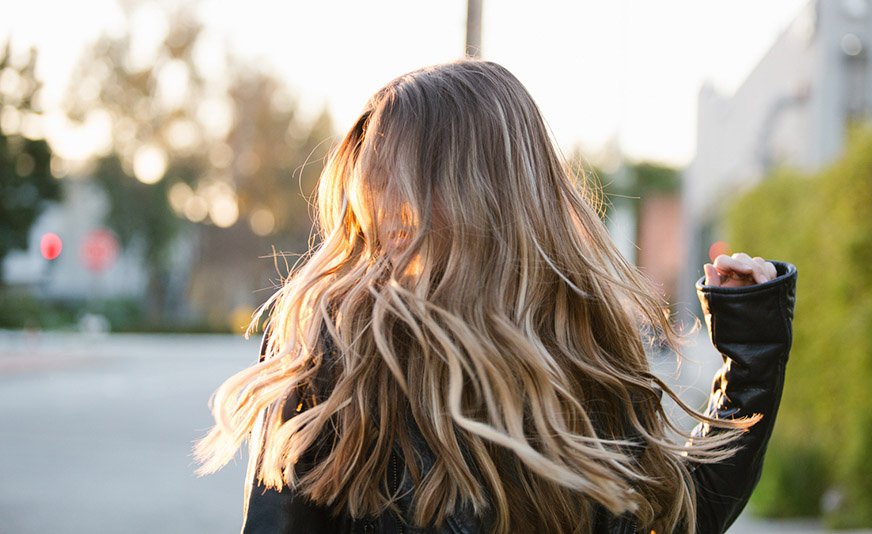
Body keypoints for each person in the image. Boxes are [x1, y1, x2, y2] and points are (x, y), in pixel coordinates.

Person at [194, 59, 797, 534]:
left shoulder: (585, 354)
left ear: (477, 192)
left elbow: (676, 518)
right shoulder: (342, 350)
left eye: (398, 188)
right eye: (373, 193)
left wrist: (753, 356)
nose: (380, 217)